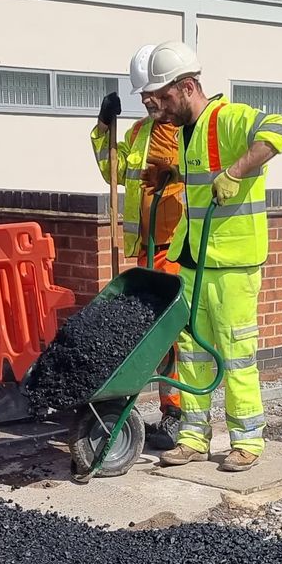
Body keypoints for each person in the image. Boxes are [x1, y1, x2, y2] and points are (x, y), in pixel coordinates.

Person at [135, 40, 282, 472]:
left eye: (162, 98)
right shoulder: (185, 132)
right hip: (193, 259)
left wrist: (235, 172)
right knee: (192, 352)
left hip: (232, 263)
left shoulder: (227, 118)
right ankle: (192, 436)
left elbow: (278, 130)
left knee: (235, 352)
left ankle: (247, 441)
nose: (158, 109)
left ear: (187, 87)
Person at [89, 44, 187, 443]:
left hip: (178, 249)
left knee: (174, 337)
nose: (146, 100)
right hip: (146, 252)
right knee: (154, 337)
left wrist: (175, 171)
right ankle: (169, 411)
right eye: (142, 94)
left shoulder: (189, 132)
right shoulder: (137, 133)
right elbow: (112, 172)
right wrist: (103, 128)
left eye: (152, 93)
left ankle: (179, 414)